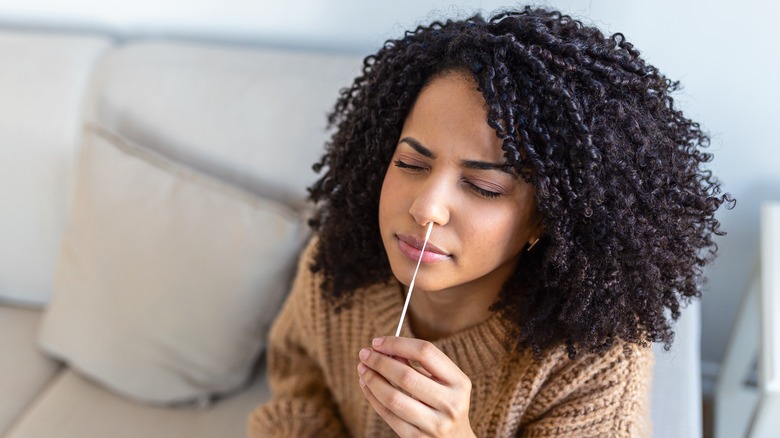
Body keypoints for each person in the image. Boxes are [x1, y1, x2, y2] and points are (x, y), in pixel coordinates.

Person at [248, 6, 732, 437]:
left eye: (485, 188)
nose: (426, 208)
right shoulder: (337, 266)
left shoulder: (595, 362)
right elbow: (299, 388)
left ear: (548, 218)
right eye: (411, 164)